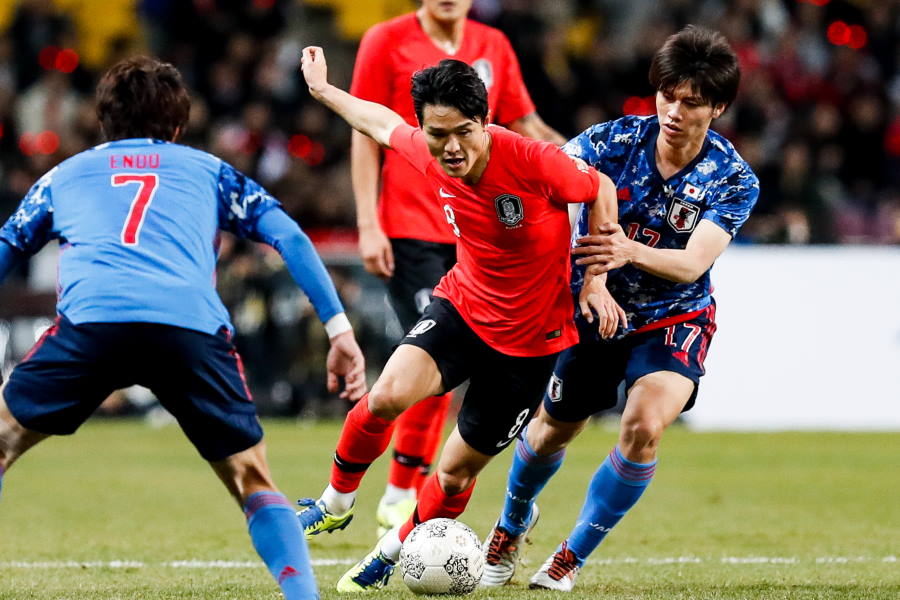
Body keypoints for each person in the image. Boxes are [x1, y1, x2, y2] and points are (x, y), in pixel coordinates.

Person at [0, 56, 367, 600]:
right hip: (188, 329)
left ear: (103, 121)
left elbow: (7, 247)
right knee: (251, 479)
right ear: (177, 126)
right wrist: (339, 330)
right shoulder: (209, 171)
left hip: (93, 326)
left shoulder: (64, 175)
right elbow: (288, 236)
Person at [296, 47, 619, 592]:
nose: (450, 148)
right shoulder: (426, 149)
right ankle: (334, 501)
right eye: (436, 133)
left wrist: (595, 280)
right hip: (463, 308)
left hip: (530, 344)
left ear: (486, 122)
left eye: (463, 132)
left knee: (452, 473)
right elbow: (380, 122)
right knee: (384, 397)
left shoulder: (536, 162)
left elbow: (601, 188)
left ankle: (391, 550)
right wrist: (325, 91)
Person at [480, 25, 760, 591]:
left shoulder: (733, 179)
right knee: (548, 434)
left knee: (644, 426)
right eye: (667, 95)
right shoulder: (612, 141)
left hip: (674, 316)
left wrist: (626, 249)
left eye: (692, 102)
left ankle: (571, 554)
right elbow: (546, 182)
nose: (675, 111)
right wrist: (588, 277)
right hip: (592, 308)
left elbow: (690, 264)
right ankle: (511, 525)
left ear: (719, 107)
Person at [349, 0, 565, 537]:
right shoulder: (385, 41)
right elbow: (368, 128)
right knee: (430, 361)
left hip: (485, 234)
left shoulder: (494, 45)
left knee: (448, 374)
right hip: (412, 226)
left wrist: (577, 157)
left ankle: (405, 494)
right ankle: (400, 493)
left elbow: (524, 122)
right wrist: (368, 222)